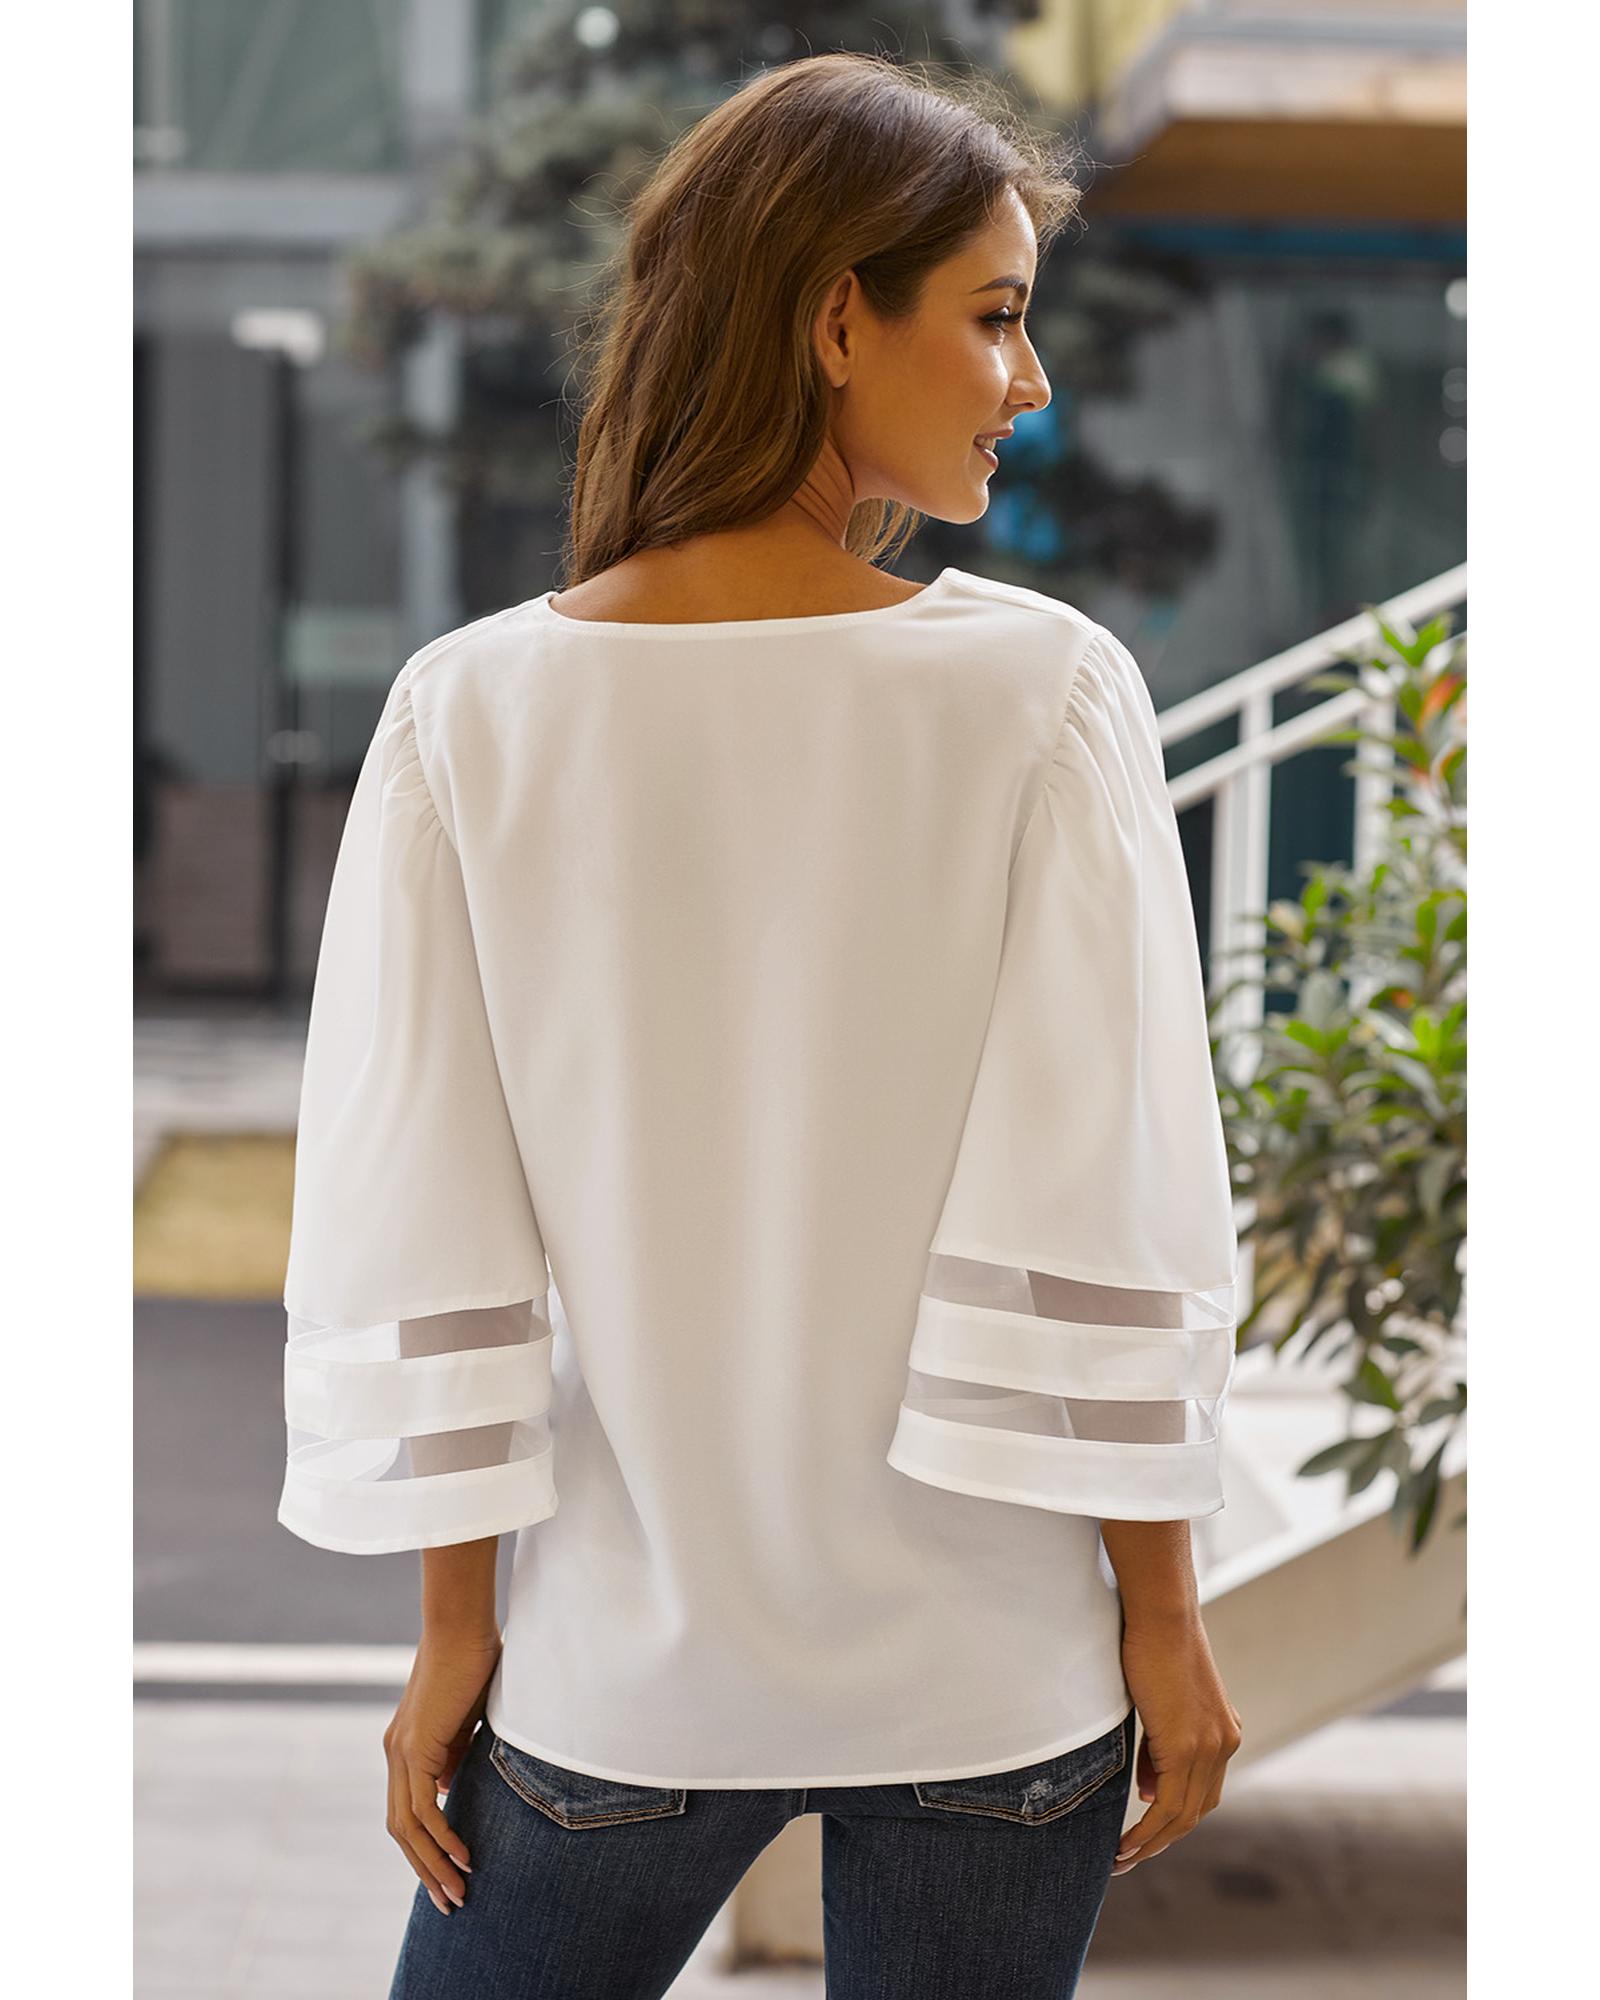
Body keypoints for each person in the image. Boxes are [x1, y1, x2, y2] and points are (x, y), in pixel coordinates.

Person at [276, 50, 1243, 2000]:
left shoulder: (470, 715)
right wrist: (1160, 1614)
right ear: (832, 319)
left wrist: (456, 1629)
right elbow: (1103, 1200)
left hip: (620, 1673)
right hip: (991, 1676)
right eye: (993, 316)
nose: (1030, 379)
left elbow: (429, 1221)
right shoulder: (1046, 695)